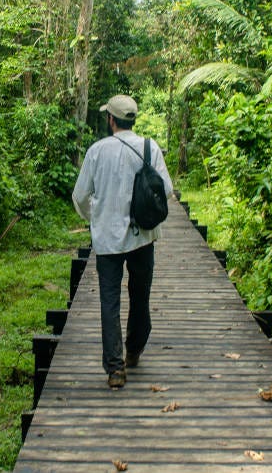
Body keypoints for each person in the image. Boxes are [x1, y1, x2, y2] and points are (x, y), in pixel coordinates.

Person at [71, 94, 174, 389]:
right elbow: (166, 190)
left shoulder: (96, 151)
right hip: (143, 236)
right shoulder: (149, 148)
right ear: (134, 119)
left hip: (107, 241)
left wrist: (97, 215)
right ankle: (135, 350)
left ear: (111, 120)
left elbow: (79, 196)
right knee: (140, 295)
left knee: (110, 300)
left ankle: (115, 369)